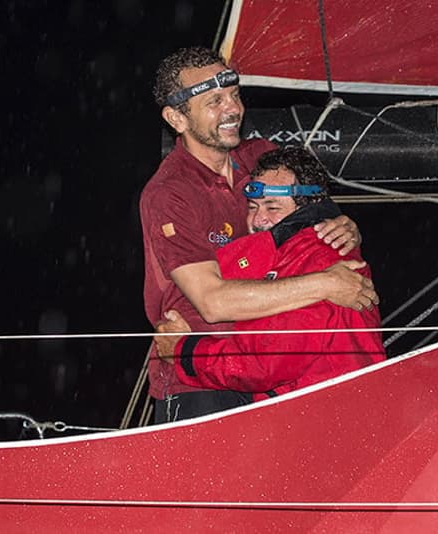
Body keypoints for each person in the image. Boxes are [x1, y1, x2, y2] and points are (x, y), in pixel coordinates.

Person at [141, 47, 377, 422]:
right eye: (214, 101)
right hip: (197, 381)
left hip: (270, 373)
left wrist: (344, 224)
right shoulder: (170, 194)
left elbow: (315, 213)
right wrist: (327, 284)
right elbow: (213, 302)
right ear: (176, 118)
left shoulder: (261, 158)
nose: (233, 109)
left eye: (234, 94)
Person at [154, 146, 386, 401]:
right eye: (252, 207)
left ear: (310, 207)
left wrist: (184, 351)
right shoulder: (284, 256)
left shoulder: (321, 259)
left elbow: (264, 364)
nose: (258, 220)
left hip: (327, 414)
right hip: (320, 411)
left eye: (272, 207)